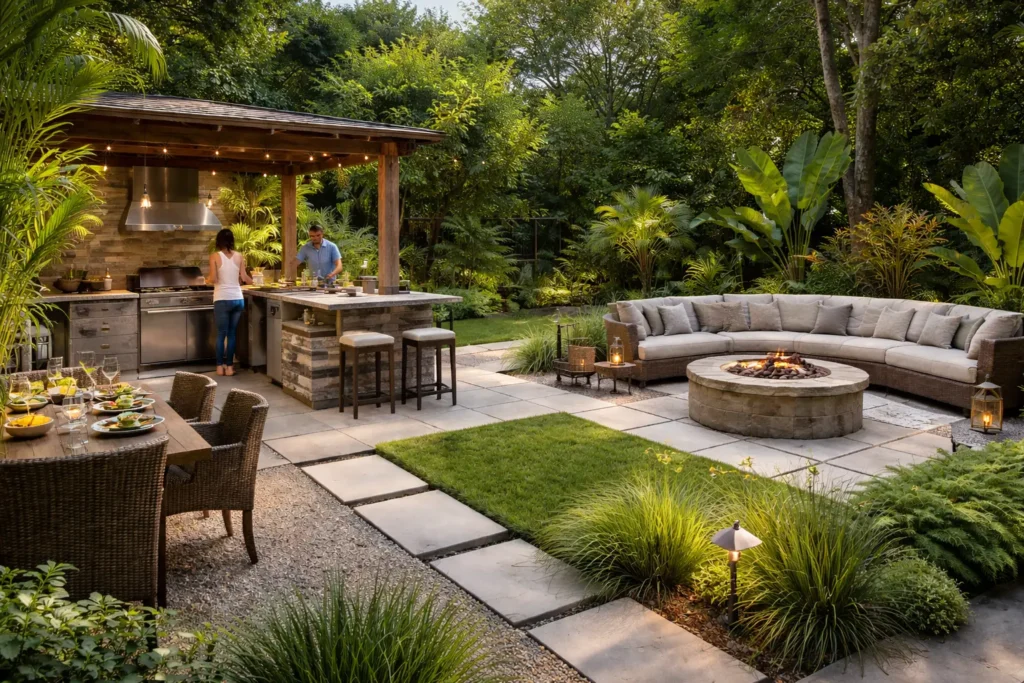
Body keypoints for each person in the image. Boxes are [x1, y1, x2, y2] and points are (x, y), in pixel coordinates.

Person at [209, 228, 252, 376]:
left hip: (222, 298)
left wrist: (205, 280)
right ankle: (229, 367)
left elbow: (213, 279)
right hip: (237, 299)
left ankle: (219, 367)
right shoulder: (239, 256)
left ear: (218, 241)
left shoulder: (215, 256)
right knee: (232, 334)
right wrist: (258, 281)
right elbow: (245, 278)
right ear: (232, 240)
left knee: (221, 334)